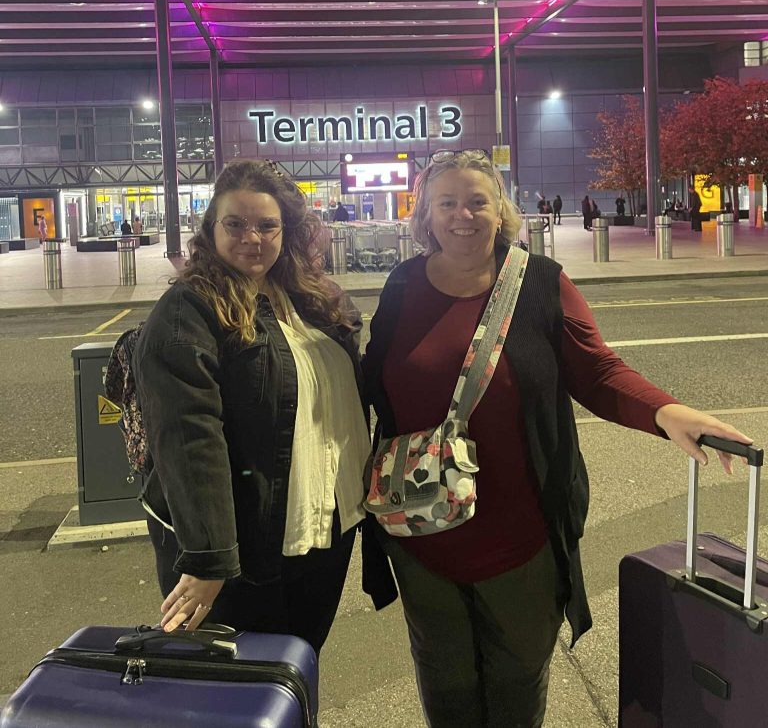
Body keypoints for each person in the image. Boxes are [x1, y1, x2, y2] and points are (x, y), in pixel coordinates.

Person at [361, 149, 752, 728]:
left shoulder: (539, 283)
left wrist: (667, 413)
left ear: (501, 212)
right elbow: (371, 377)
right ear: (425, 214)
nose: (462, 215)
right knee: (443, 681)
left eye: (477, 201)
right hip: (420, 530)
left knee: (517, 682)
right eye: (447, 202)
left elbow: (595, 370)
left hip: (520, 535)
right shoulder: (401, 285)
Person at [133, 159, 379, 655]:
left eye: (267, 225)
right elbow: (188, 436)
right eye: (236, 224)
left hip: (326, 525)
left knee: (294, 670)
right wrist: (208, 558)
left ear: (286, 230)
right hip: (249, 548)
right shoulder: (189, 309)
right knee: (238, 688)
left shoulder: (313, 297)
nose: (253, 237)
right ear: (211, 228)